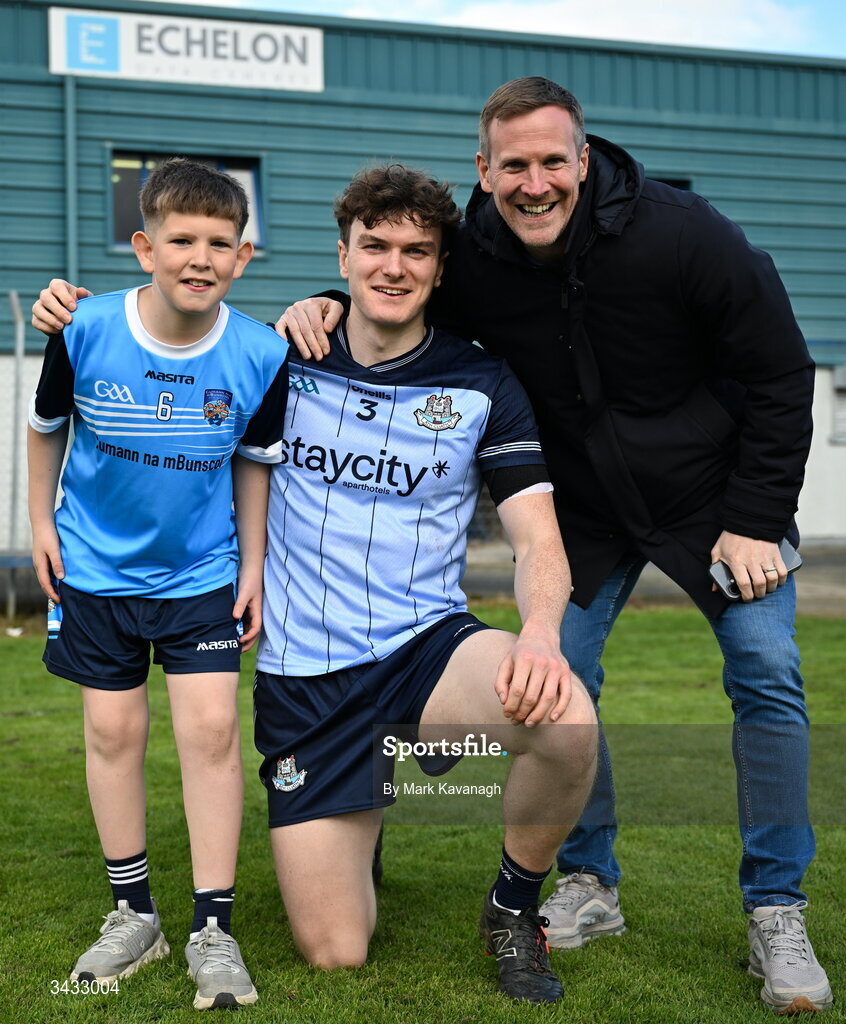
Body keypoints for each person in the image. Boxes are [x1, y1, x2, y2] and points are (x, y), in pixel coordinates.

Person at [265, 79, 829, 1015]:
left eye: (551, 162)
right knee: (555, 674)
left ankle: (777, 907)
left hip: (714, 497)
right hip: (587, 509)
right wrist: (325, 302)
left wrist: (758, 514)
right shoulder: (474, 248)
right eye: (513, 166)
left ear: (584, 157)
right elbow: (403, 289)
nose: (534, 184)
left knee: (767, 669)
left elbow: (779, 372)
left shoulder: (686, 234)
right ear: (484, 172)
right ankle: (585, 883)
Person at [33, 162, 599, 1007]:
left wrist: (545, 635)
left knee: (564, 720)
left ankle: (512, 907)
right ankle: (365, 790)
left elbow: (536, 538)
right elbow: (176, 328)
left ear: (441, 269)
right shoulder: (275, 354)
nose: (394, 266)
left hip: (427, 652)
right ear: (343, 256)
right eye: (376, 246)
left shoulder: (483, 383)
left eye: (417, 251)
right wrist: (70, 312)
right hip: (309, 684)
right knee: (336, 952)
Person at [27, 158, 288, 1011]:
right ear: (146, 247)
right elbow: (44, 430)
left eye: (221, 242)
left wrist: (251, 566)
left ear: (243, 257)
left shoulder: (260, 352)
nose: (201, 256)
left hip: (203, 575)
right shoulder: (82, 331)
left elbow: (254, 467)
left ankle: (214, 927)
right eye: (182, 239)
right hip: (95, 573)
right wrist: (39, 527)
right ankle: (133, 913)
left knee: (212, 734)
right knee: (111, 734)